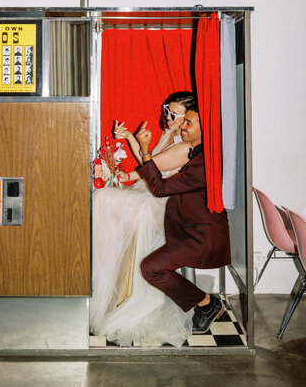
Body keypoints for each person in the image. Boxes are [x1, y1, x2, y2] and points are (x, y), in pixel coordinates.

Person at [90, 91, 196, 347]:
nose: (167, 117)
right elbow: (146, 160)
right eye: (166, 111)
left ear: (187, 118)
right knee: (106, 201)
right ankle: (113, 281)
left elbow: (149, 169)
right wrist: (129, 138)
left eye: (174, 113)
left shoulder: (185, 146)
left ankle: (112, 276)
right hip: (148, 193)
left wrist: (121, 176)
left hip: (162, 203)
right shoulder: (170, 134)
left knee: (104, 198)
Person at [136, 101, 231, 334]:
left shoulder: (203, 165)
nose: (181, 128)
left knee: (151, 268)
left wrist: (146, 150)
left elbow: (159, 188)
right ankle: (205, 303)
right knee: (152, 265)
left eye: (188, 123)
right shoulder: (199, 155)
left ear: (205, 127)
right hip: (191, 230)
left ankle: (207, 303)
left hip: (200, 236)